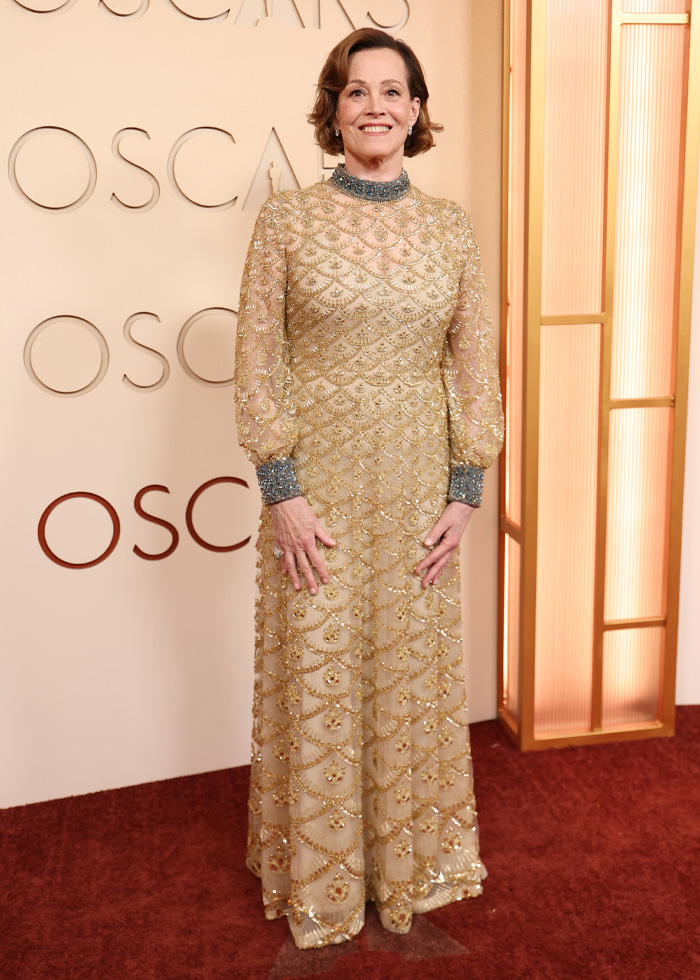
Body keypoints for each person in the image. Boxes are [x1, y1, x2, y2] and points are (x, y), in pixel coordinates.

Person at [234, 27, 504, 950]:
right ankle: (320, 880)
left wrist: (465, 492)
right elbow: (257, 362)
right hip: (318, 493)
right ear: (333, 107)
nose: (377, 106)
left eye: (395, 91)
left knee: (408, 673)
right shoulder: (288, 220)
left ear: (419, 109)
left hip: (422, 489)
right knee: (320, 672)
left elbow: (475, 369)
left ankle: (410, 865)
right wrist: (283, 491)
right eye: (358, 92)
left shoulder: (451, 227)